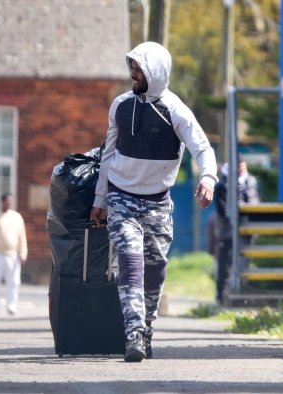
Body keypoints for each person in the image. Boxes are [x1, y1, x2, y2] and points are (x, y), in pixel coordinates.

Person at [89, 42, 218, 362]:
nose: (133, 74)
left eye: (139, 69)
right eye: (131, 67)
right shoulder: (120, 105)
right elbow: (107, 155)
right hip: (122, 198)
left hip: (159, 205)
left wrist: (207, 179)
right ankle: (132, 332)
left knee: (156, 269)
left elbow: (203, 149)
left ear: (156, 72)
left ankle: (146, 327)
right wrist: (101, 198)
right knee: (130, 262)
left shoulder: (176, 110)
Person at [212, 158, 260, 304]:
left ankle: (243, 291)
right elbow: (223, 209)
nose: (240, 170)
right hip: (227, 231)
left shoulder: (250, 181)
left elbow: (254, 201)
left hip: (246, 230)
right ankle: (222, 295)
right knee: (225, 264)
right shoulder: (222, 184)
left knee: (245, 262)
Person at [0, 193, 28, 316]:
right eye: (7, 201)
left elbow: (22, 237)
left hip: (13, 255)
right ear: (2, 202)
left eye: (11, 202)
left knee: (13, 282)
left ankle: (11, 306)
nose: (9, 204)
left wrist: (23, 253)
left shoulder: (17, 217)